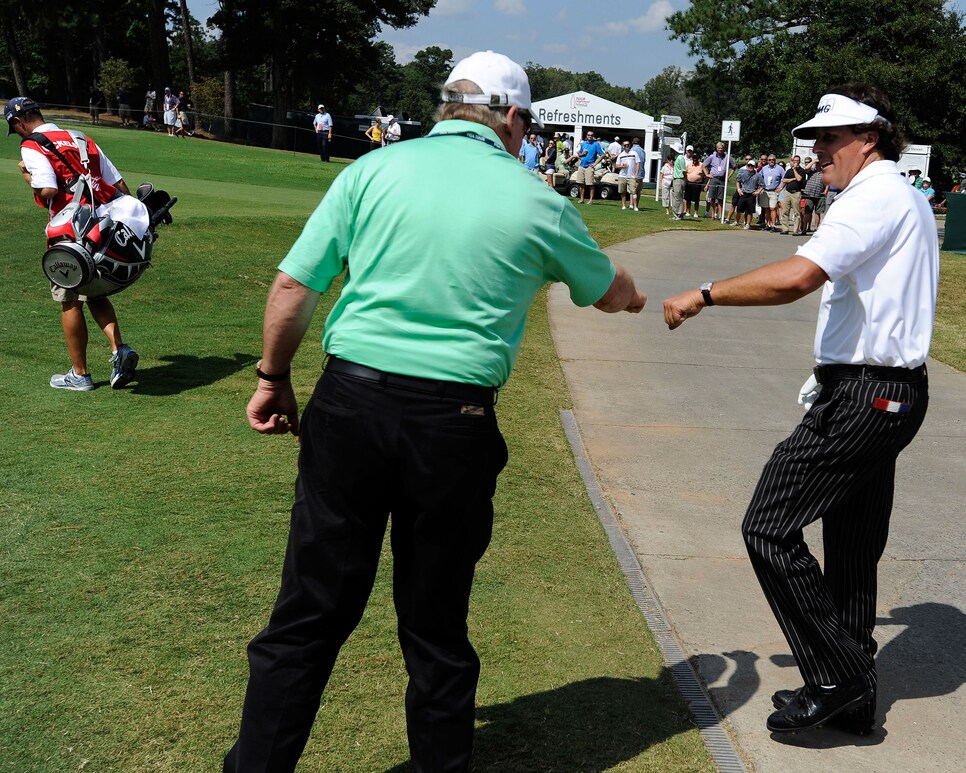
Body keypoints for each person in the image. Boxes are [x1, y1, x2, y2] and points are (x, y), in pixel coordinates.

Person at [222, 50, 646, 773]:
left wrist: (272, 376)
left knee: (310, 610)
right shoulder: (537, 199)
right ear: (512, 118)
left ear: (448, 107)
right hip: (454, 423)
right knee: (435, 621)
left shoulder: (373, 170)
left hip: (350, 401)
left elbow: (296, 285)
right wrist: (633, 293)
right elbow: (611, 292)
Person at [663, 84, 938, 737]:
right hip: (887, 391)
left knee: (768, 524)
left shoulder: (871, 196)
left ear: (868, 137)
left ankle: (841, 675)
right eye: (813, 138)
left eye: (829, 138)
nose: (816, 151)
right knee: (849, 546)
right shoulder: (899, 196)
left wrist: (705, 292)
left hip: (868, 394)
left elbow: (798, 276)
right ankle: (851, 692)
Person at [6, 96, 146, 391]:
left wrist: (25, 174)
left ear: (18, 122)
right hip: (103, 229)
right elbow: (119, 186)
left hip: (70, 233)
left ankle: (80, 375)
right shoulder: (81, 138)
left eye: (15, 128)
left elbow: (47, 188)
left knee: (69, 300)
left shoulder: (31, 144)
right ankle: (118, 349)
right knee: (94, 293)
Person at [703, 142, 735, 221]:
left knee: (721, 199)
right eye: (719, 148)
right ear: (716, 148)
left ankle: (721, 215)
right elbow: (704, 165)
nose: (720, 149)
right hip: (714, 178)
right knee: (712, 198)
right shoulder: (712, 156)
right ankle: (713, 215)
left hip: (722, 179)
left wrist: (728, 176)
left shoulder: (727, 157)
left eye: (721, 148)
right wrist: (707, 174)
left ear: (723, 149)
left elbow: (734, 167)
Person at [777, 155, 806, 234]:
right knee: (785, 211)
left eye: (797, 161)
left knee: (797, 212)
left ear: (799, 162)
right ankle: (785, 229)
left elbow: (799, 179)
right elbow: (784, 180)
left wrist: (795, 170)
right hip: (788, 192)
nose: (795, 162)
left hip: (796, 193)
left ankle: (795, 230)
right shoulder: (789, 171)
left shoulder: (801, 171)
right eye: (794, 161)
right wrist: (792, 179)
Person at [576, 129, 605, 204]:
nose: (590, 136)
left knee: (590, 184)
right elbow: (579, 154)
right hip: (582, 165)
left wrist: (595, 163)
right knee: (581, 183)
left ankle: (591, 200)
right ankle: (582, 199)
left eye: (591, 135)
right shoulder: (583, 144)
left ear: (593, 136)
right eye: (588, 135)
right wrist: (582, 154)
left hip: (590, 166)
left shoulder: (596, 144)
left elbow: (603, 154)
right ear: (586, 136)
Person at [757, 153, 784, 231]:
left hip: (774, 191)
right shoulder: (764, 168)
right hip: (765, 191)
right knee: (766, 208)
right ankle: (768, 224)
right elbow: (759, 176)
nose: (771, 161)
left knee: (773, 208)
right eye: (770, 160)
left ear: (775, 160)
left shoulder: (779, 168)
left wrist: (781, 187)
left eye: (773, 160)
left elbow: (784, 178)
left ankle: (773, 225)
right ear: (767, 161)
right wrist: (760, 186)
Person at [615, 140, 640, 210]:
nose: (626, 146)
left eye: (628, 145)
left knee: (633, 191)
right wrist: (622, 166)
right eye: (625, 145)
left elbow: (638, 163)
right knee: (622, 191)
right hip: (622, 176)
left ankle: (635, 206)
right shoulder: (621, 155)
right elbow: (616, 166)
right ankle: (624, 205)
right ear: (623, 146)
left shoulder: (634, 153)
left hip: (631, 176)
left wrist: (636, 174)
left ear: (630, 145)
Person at [685, 154, 706, 218]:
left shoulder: (701, 165)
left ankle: (696, 212)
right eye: (693, 159)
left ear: (697, 159)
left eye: (696, 159)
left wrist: (701, 179)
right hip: (689, 183)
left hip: (697, 184)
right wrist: (686, 180)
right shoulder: (689, 165)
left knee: (696, 199)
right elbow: (685, 173)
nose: (694, 160)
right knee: (688, 198)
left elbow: (705, 173)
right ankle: (688, 212)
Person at [670, 142, 686, 220]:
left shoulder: (680, 158)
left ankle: (679, 214)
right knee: (676, 197)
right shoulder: (677, 157)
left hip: (679, 179)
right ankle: (676, 214)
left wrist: (684, 179)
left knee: (678, 198)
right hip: (676, 179)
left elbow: (683, 170)